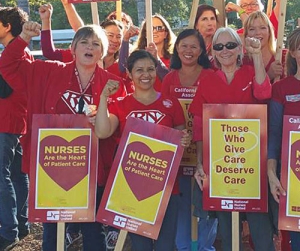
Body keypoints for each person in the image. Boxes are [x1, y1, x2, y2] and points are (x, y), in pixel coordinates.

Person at [0, 21, 126, 251]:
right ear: (73, 48)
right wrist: (23, 39)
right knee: (53, 230)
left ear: (103, 51)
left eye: (96, 43)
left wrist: (102, 118)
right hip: (52, 163)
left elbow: (117, 128)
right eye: (84, 42)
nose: (90, 47)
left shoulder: (114, 84)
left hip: (92, 167)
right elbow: (8, 66)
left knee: (92, 230)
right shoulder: (47, 71)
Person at [95, 50, 191, 251]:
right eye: (139, 70)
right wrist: (103, 97)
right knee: (141, 246)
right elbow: (103, 132)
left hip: (166, 187)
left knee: (166, 245)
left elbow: (181, 137)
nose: (145, 74)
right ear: (129, 74)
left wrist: (185, 140)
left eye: (150, 69)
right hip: (132, 188)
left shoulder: (170, 103)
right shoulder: (120, 104)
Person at [189, 27, 274, 251]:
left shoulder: (249, 71)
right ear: (213, 52)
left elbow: (264, 93)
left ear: (239, 48)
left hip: (252, 165)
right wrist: (199, 162)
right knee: (228, 235)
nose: (224, 50)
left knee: (261, 232)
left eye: (230, 45)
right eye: (219, 46)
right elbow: (199, 125)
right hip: (222, 168)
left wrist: (256, 56)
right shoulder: (206, 80)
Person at [161, 29, 218, 251]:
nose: (188, 50)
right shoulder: (169, 78)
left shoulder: (210, 76)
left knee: (205, 208)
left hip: (207, 152)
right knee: (182, 206)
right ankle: (185, 247)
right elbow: (164, 115)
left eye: (194, 46)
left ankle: (204, 247)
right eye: (184, 45)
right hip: (179, 155)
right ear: (176, 47)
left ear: (202, 51)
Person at [0, 7, 31, 250]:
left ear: (7, 26)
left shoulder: (14, 52)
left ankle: (9, 232)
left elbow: (6, 89)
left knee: (3, 176)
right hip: (16, 121)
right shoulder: (23, 51)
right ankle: (21, 226)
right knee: (18, 176)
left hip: (6, 121)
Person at [267, 27, 300, 251]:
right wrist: (271, 173)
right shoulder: (281, 88)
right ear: (295, 51)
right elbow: (275, 134)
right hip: (292, 179)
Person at [243, 11, 284, 82]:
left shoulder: (283, 57)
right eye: (252, 29)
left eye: (262, 28)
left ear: (269, 32)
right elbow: (247, 91)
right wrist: (269, 75)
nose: (258, 32)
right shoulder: (243, 62)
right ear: (247, 35)